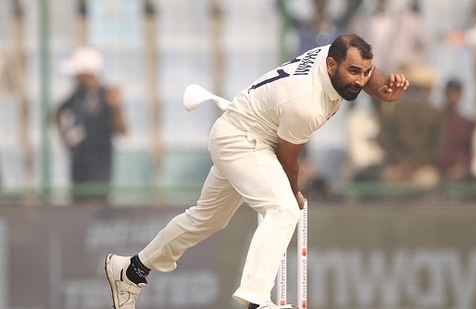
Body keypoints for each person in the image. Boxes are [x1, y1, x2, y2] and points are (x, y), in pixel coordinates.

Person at [104, 34, 409, 309]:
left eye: (365, 71)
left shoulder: (330, 58)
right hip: (242, 141)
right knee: (284, 209)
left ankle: (131, 270)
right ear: (331, 65)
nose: (360, 79)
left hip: (244, 133)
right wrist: (294, 192)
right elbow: (287, 158)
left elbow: (367, 75)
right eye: (353, 72)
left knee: (207, 218)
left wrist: (384, 90)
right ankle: (256, 300)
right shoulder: (306, 102)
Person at [55, 47, 128, 205]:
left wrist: (116, 108)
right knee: (77, 205)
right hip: (79, 166)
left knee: (96, 206)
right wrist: (64, 136)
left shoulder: (107, 95)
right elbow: (58, 111)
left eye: (77, 73)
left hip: (99, 167)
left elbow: (122, 130)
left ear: (88, 73)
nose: (74, 77)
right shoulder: (78, 94)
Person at [377, 65, 445, 188]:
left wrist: (403, 164)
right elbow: (438, 148)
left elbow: (384, 141)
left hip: (397, 168)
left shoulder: (393, 110)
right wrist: (415, 164)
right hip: (423, 169)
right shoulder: (435, 113)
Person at [438, 78, 476, 182]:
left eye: (456, 93)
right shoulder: (435, 120)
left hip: (463, 171)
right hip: (439, 170)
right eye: (450, 92)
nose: (453, 96)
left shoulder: (468, 123)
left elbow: (472, 151)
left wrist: (463, 167)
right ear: (445, 94)